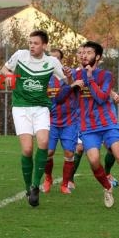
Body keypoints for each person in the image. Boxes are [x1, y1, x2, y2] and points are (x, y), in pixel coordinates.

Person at [68, 41, 119, 211]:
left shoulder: (106, 75)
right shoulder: (75, 75)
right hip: (88, 127)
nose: (84, 55)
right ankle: (107, 187)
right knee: (94, 161)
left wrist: (89, 79)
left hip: (108, 124)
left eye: (89, 52)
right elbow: (60, 77)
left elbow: (102, 98)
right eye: (82, 52)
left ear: (97, 57)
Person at [0, 30, 68, 207]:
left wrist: (71, 76)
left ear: (44, 45)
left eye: (35, 43)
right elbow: (4, 69)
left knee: (44, 143)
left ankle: (36, 186)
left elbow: (67, 80)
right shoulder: (20, 55)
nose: (31, 46)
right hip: (21, 108)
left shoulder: (52, 62)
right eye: (30, 42)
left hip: (41, 108)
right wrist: (8, 76)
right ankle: (27, 187)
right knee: (28, 150)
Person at [69, 45, 119, 189]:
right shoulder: (74, 73)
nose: (82, 55)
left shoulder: (97, 72)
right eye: (79, 53)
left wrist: (113, 94)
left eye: (85, 52)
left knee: (112, 149)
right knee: (79, 148)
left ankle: (108, 174)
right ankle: (70, 179)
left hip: (101, 118)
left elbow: (100, 87)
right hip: (83, 119)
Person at [43, 48, 77, 194]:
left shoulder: (69, 76)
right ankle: (48, 178)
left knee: (69, 153)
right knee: (48, 152)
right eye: (51, 58)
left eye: (57, 59)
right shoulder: (44, 78)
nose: (54, 61)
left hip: (69, 122)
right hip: (50, 121)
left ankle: (64, 184)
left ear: (61, 61)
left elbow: (76, 86)